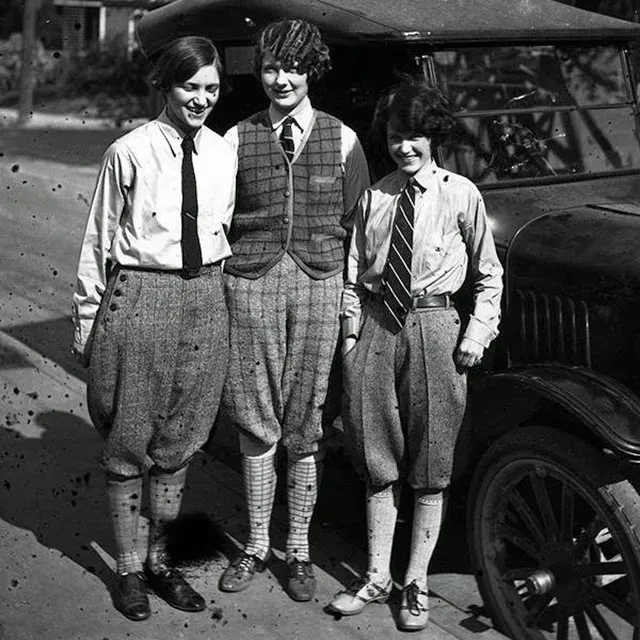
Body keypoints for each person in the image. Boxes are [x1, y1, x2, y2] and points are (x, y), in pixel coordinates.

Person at [327, 80, 503, 631]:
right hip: (379, 326)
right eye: (398, 136)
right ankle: (377, 574)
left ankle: (415, 583)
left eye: (417, 136)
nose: (406, 147)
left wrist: (475, 334)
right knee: (377, 456)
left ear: (436, 137)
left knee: (431, 463)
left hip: (435, 327)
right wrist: (353, 340)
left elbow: (489, 274)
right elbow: (353, 274)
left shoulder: (461, 194)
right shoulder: (376, 196)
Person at [72, 36, 236, 621]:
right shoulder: (129, 152)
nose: (200, 99)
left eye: (211, 89)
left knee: (181, 441)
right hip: (142, 296)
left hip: (205, 298)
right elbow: (98, 240)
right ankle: (128, 570)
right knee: (128, 440)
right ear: (166, 85)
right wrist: (88, 318)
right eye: (189, 86)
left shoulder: (224, 151)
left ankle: (160, 562)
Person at [217, 18, 370, 603]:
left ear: (313, 72)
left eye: (294, 68)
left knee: (305, 422)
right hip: (250, 285)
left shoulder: (344, 138)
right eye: (272, 68)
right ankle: (257, 544)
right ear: (259, 72)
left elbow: (358, 226)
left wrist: (349, 301)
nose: (282, 79)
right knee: (256, 417)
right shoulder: (236, 137)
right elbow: (217, 218)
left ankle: (299, 549)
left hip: (320, 285)